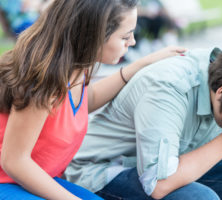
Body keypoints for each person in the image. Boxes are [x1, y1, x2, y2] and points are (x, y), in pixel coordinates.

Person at [0, 0, 186, 199]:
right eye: (125, 36)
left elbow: (85, 101)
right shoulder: (44, 79)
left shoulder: (75, 66)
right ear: (93, 35)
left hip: (34, 178)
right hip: (9, 180)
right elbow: (14, 161)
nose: (131, 42)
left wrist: (142, 64)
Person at [64, 43, 222, 200]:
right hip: (107, 170)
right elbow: (157, 185)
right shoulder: (170, 86)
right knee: (200, 198)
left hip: (177, 162)